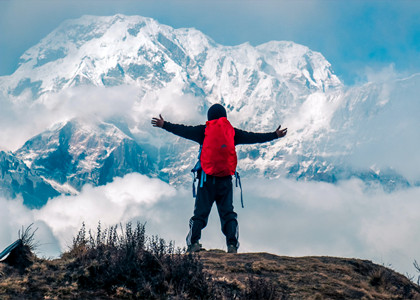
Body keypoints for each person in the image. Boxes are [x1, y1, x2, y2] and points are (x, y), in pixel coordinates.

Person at [151, 104, 287, 253]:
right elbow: (254, 137)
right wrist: (274, 135)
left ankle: (193, 244)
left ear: (209, 117)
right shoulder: (232, 133)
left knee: (200, 214)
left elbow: (183, 130)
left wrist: (164, 125)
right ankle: (232, 245)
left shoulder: (203, 131)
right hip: (225, 180)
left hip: (206, 180)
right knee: (228, 214)